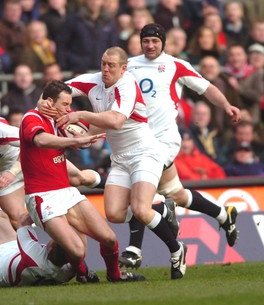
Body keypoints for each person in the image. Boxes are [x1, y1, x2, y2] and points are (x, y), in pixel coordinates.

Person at [42, 49, 187, 280]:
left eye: (111, 65)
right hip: (120, 159)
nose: (106, 69)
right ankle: (161, 209)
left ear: (123, 68)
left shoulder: (127, 85)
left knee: (140, 209)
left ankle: (176, 250)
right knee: (114, 214)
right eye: (103, 64)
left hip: (145, 152)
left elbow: (116, 121)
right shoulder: (93, 81)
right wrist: (46, 105)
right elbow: (57, 89)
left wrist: (79, 115)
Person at [121, 23, 241, 268]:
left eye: (155, 41)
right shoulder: (130, 65)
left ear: (163, 43)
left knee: (140, 186)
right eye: (146, 41)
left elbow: (206, 88)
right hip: (138, 138)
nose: (150, 45)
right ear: (140, 42)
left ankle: (134, 248)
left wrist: (226, 105)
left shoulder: (175, 65)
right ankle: (222, 214)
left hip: (164, 140)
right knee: (175, 193)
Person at [20, 80, 145, 282]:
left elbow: (85, 132)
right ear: (50, 102)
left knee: (109, 238)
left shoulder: (58, 120)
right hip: (42, 197)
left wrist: (84, 137)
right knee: (77, 251)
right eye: (65, 104)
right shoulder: (31, 117)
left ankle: (114, 276)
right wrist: (75, 141)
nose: (69, 109)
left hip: (66, 193)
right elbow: (40, 140)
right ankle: (82, 273)